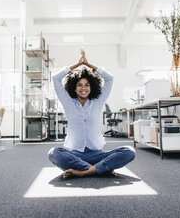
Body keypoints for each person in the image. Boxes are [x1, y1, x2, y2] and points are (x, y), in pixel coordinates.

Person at [48, 48, 136, 179]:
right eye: (79, 85)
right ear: (74, 87)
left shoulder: (97, 101)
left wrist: (88, 65)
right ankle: (100, 168)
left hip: (97, 154)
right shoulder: (68, 102)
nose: (83, 88)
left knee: (129, 151)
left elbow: (109, 78)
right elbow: (56, 79)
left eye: (87, 85)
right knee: (53, 153)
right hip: (76, 155)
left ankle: (84, 171)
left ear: (92, 87)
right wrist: (77, 65)